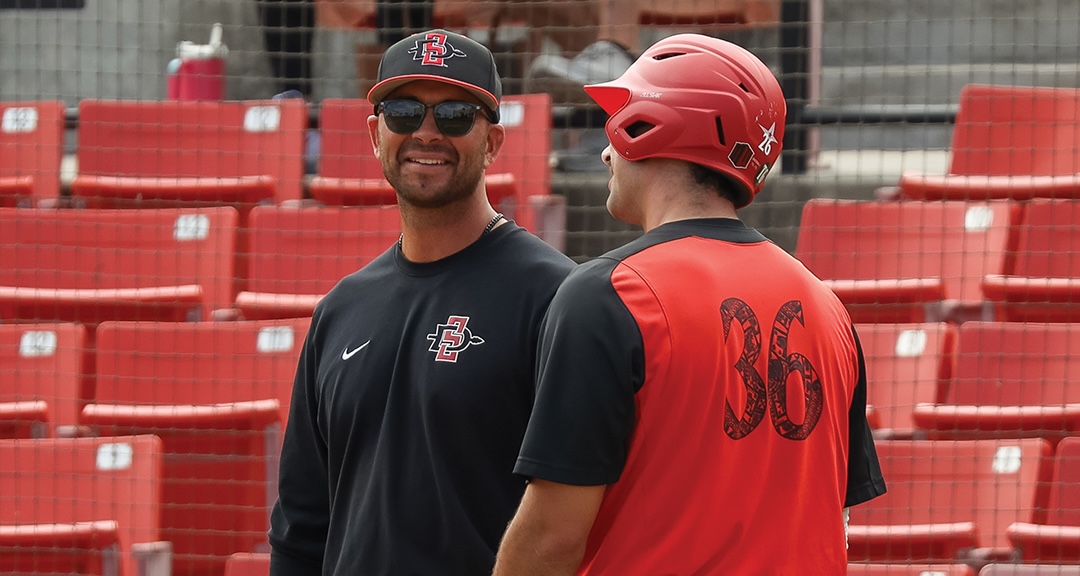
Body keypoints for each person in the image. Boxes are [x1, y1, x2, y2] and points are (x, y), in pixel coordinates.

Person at [492, 34, 886, 575]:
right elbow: (830, 519)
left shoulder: (607, 293)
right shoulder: (827, 307)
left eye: (618, 119)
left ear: (650, 126)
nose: (605, 149)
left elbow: (552, 538)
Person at [267, 28, 576, 575]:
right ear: (375, 132)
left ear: (493, 142)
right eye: (404, 112)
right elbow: (301, 526)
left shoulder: (556, 297)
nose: (427, 133)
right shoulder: (341, 309)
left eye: (456, 115)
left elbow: (578, 518)